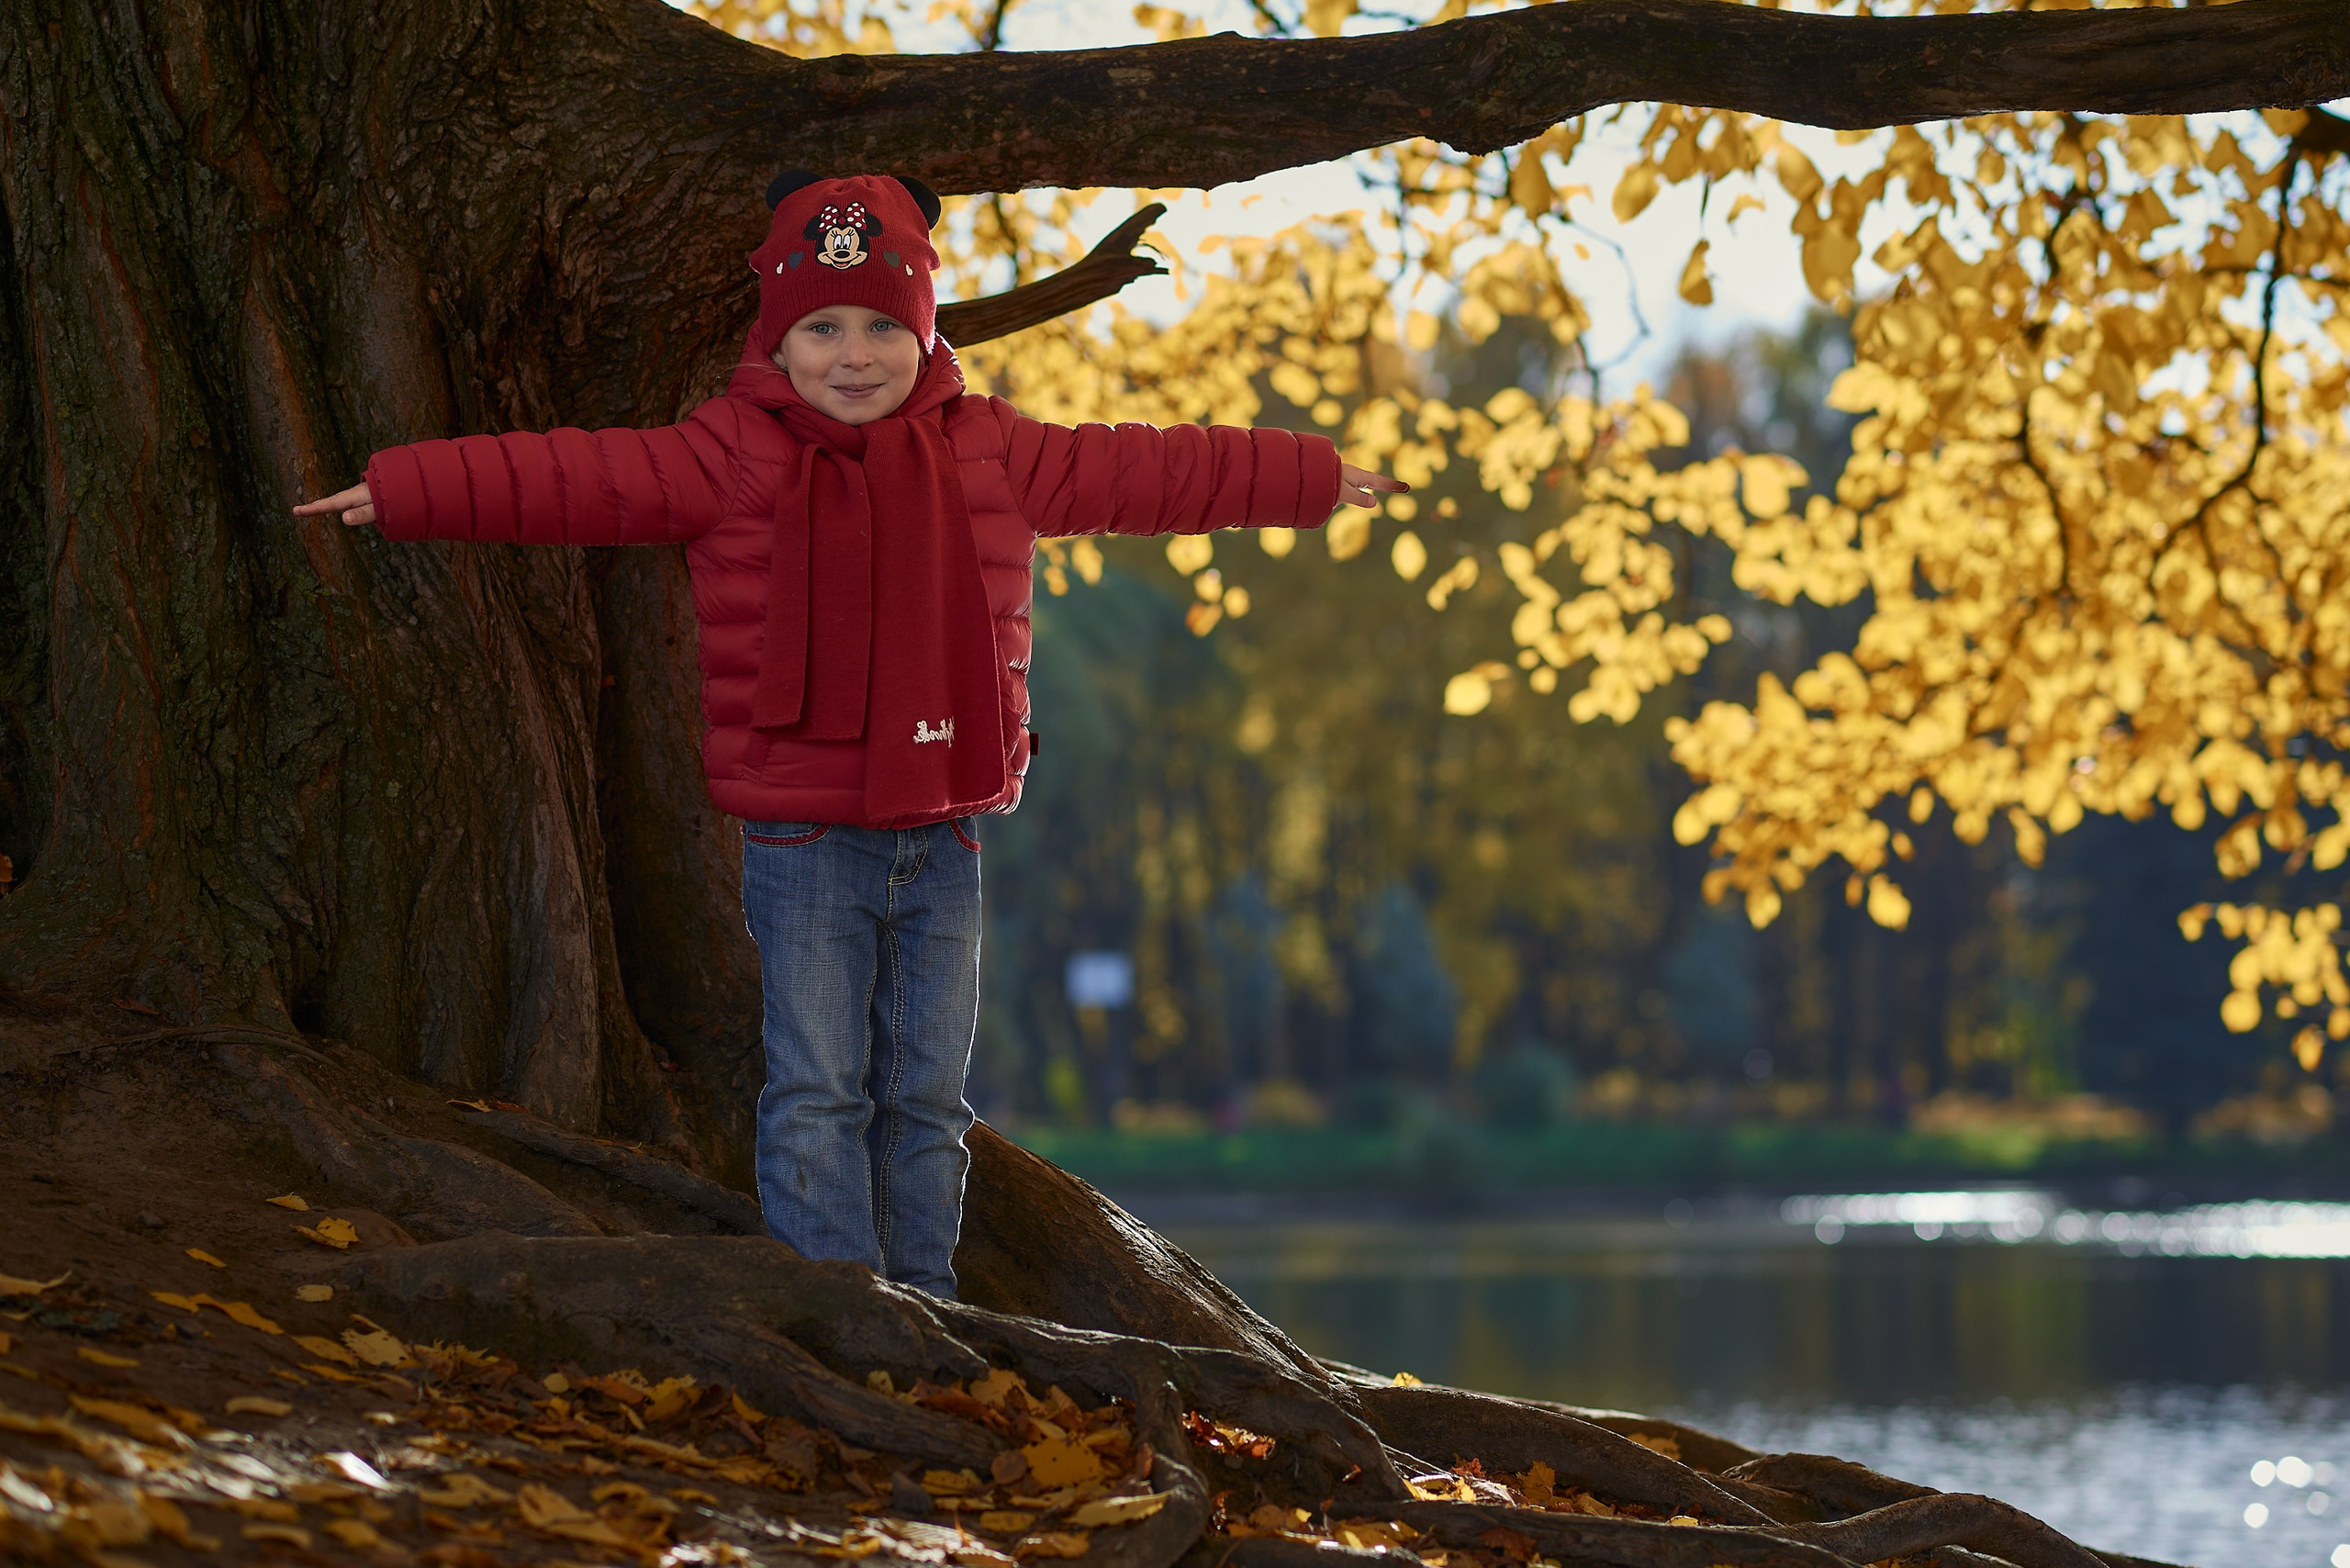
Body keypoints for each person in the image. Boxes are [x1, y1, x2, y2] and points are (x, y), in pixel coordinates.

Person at [295, 172, 1404, 1298]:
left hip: (948, 824)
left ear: (925, 330)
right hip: (804, 837)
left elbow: (1151, 467)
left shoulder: (991, 449)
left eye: (883, 324)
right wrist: (405, 489)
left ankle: (926, 1310)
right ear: (777, 340)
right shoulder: (729, 451)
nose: (854, 353)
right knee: (820, 1087)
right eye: (821, 327)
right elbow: (572, 476)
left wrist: (1307, 474)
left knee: (927, 1097)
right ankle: (834, 1303)